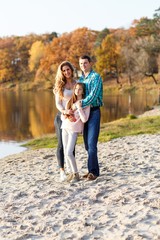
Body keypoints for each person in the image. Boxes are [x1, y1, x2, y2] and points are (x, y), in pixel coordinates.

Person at [78, 55, 103, 181]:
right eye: (81, 63)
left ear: (90, 63)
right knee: (87, 145)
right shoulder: (81, 79)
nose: (83, 65)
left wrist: (80, 104)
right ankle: (91, 170)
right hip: (83, 114)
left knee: (92, 144)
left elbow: (93, 96)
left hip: (93, 112)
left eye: (85, 63)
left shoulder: (96, 77)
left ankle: (93, 172)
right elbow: (77, 94)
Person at [61, 83, 90, 183]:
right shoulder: (70, 101)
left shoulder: (85, 103)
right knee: (65, 152)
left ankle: (76, 174)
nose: (77, 90)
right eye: (76, 88)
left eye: (80, 89)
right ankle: (71, 173)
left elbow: (84, 119)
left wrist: (79, 108)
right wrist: (66, 113)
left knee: (69, 152)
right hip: (65, 127)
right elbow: (62, 115)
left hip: (74, 129)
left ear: (83, 91)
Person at [53, 61, 76, 182]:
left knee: (71, 145)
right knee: (62, 144)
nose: (66, 72)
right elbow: (57, 103)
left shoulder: (77, 83)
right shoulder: (60, 85)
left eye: (68, 69)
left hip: (73, 117)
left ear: (71, 70)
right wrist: (64, 111)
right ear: (61, 72)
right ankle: (62, 171)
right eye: (64, 70)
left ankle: (73, 170)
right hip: (61, 117)